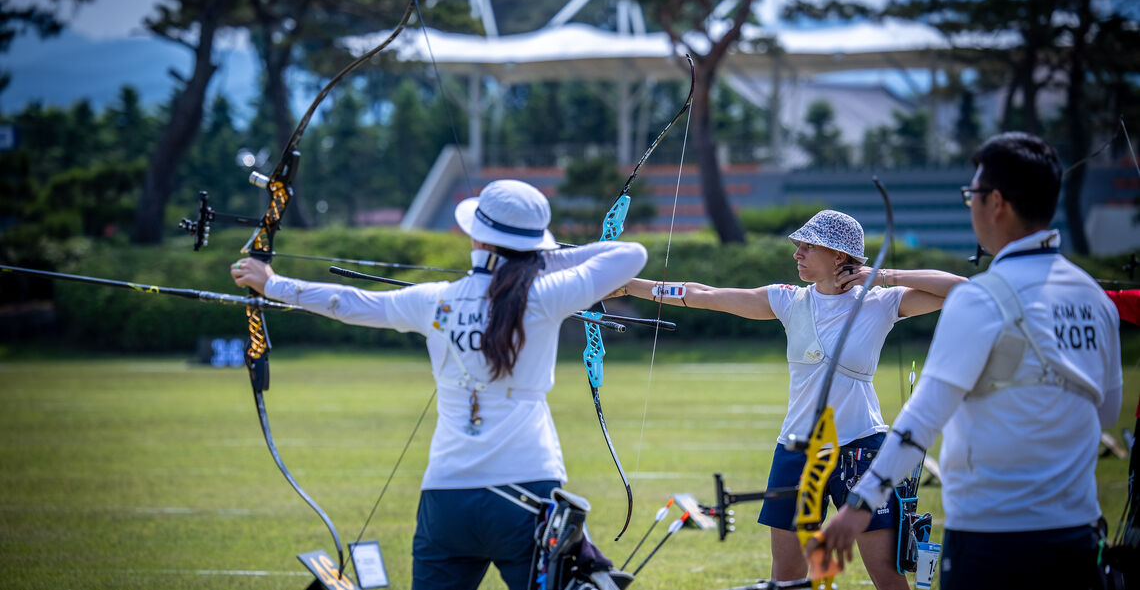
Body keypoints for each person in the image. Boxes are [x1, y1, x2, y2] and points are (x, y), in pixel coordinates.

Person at [231, 179, 647, 590]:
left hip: (446, 498)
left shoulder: (436, 301)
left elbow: (352, 303)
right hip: (526, 494)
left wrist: (271, 283)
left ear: (477, 239)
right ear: (534, 248)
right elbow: (631, 253)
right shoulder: (545, 294)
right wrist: (540, 260)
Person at [816, 132, 1124, 590]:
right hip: (1078, 536)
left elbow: (923, 417)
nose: (970, 204)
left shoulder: (980, 300)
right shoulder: (1095, 299)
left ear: (996, 202)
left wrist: (860, 503)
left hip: (992, 541)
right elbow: (1107, 412)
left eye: (972, 194)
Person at [613, 209, 965, 589]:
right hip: (797, 450)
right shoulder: (788, 300)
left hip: (861, 449)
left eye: (808, 246)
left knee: (887, 576)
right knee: (788, 581)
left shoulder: (880, 302)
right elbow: (706, 295)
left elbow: (961, 288)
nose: (797, 253)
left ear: (839, 257)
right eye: (798, 245)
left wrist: (880, 275)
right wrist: (632, 286)